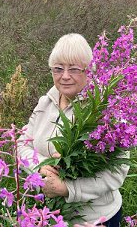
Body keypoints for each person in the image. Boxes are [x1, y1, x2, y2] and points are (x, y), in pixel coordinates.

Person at [19, 33, 129, 226]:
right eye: (58, 68)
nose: (65, 76)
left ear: (90, 71)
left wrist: (68, 188)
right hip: (50, 214)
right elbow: (21, 143)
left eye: (75, 69)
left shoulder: (106, 111)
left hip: (95, 218)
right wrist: (39, 166)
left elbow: (116, 173)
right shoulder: (46, 102)